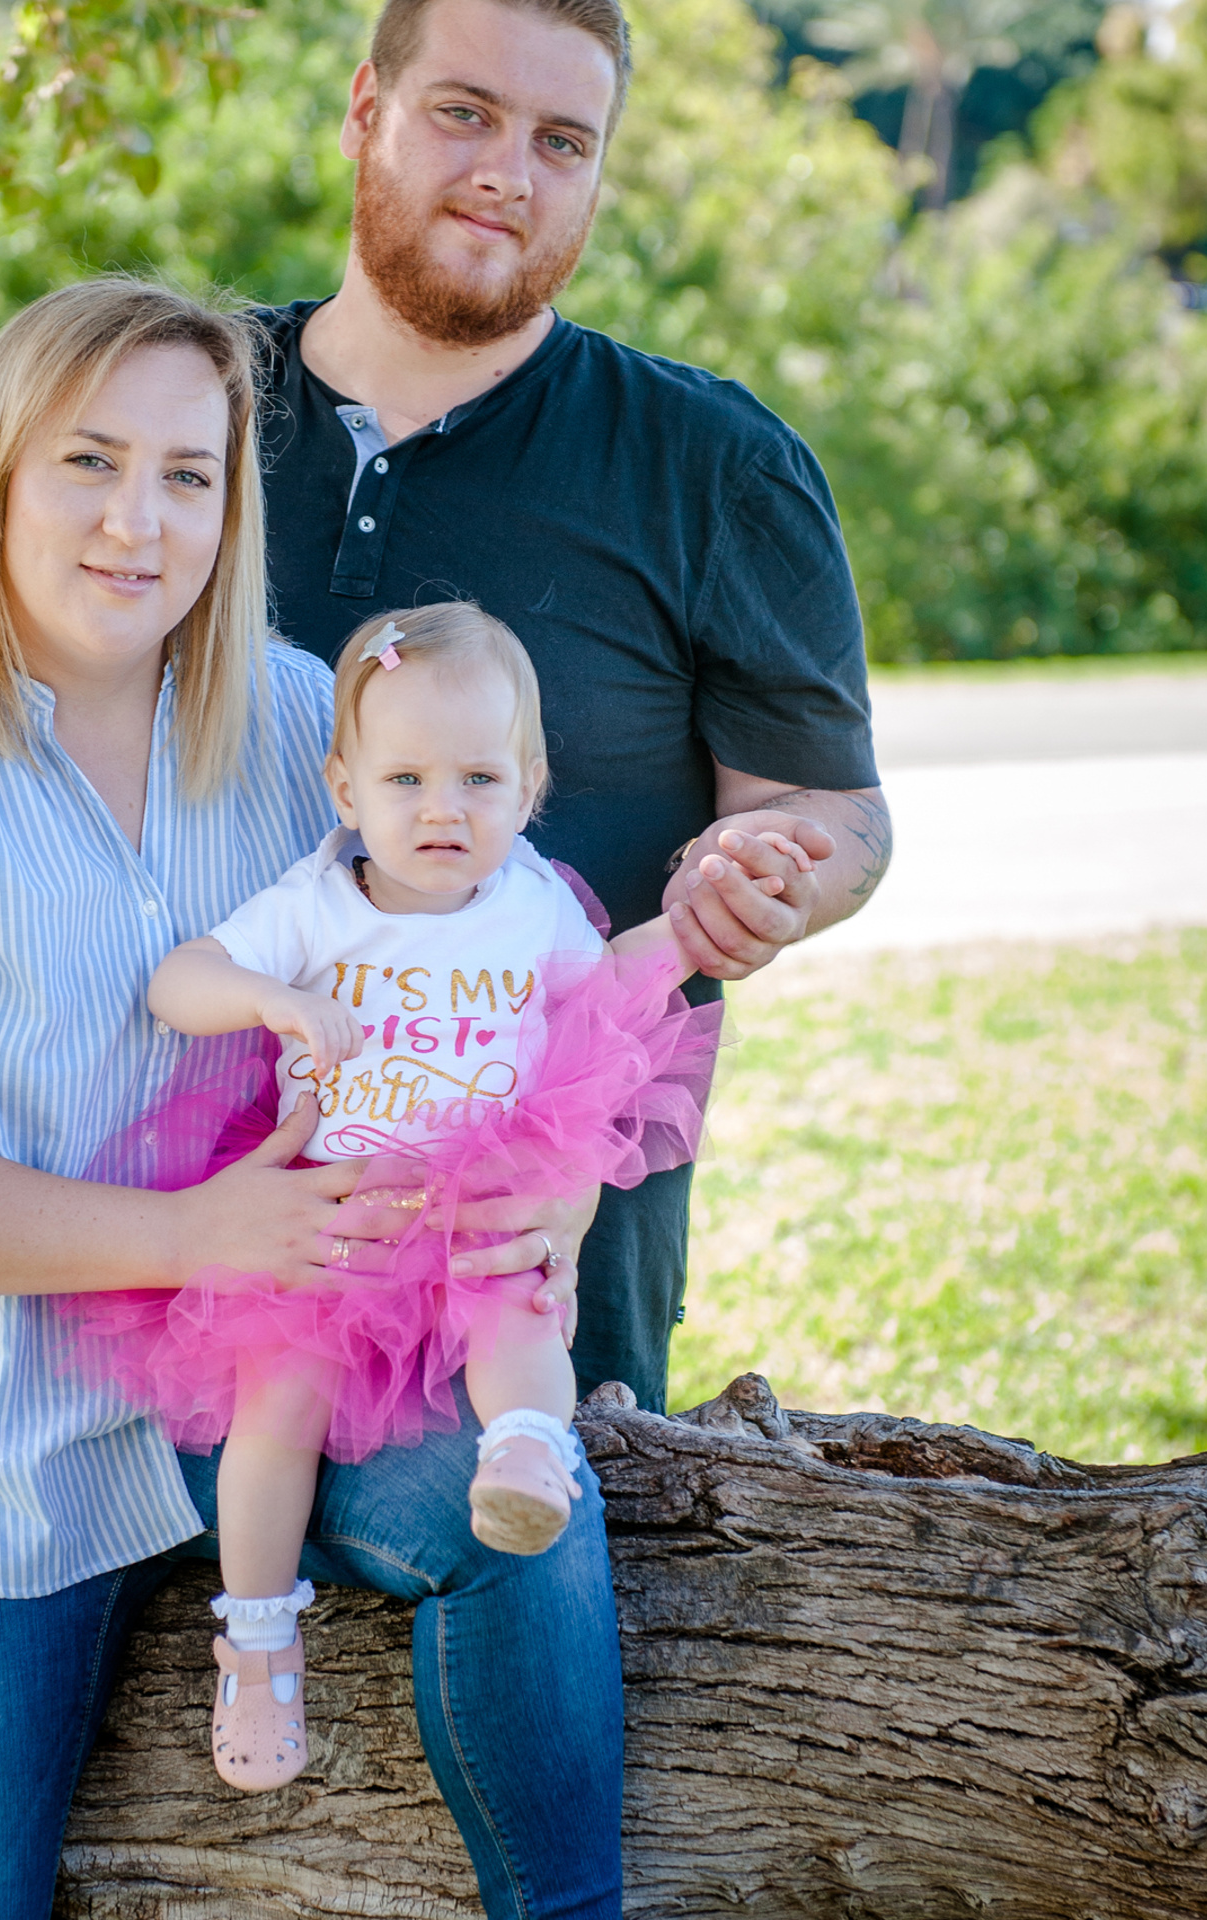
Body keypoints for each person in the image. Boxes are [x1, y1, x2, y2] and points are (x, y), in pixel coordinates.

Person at [0, 277, 626, 1920]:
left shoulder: (304, 723)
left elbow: (503, 956)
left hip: (270, 1376)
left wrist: (554, 1186)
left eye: (189, 475)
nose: (137, 522)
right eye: (89, 461)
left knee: (525, 1505)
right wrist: (194, 1232)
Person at [254, 0, 893, 1415]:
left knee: (524, 1538)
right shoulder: (181, 412)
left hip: (531, 1272)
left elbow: (836, 810)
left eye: (562, 140)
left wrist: (771, 872)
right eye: (464, 113)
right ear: (365, 110)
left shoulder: (712, 465)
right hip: (180, 1245)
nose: (508, 173)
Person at [62, 602, 740, 1791]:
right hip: (336, 1225)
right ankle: (257, 1640)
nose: (443, 810)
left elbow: (605, 991)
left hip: (477, 1202)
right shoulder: (317, 906)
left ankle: (526, 1453)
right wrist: (271, 999)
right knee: (278, 1408)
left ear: (528, 788)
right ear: (346, 786)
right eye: (407, 779)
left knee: (522, 1307)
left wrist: (687, 933)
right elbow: (179, 981)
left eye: (480, 779)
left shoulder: (533, 902)